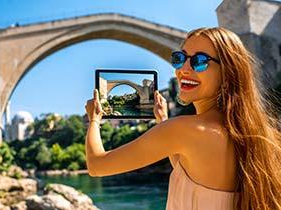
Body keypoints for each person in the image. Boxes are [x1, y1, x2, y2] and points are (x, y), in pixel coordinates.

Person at [85, 27, 281, 210]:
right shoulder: (262, 137)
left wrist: (94, 120)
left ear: (227, 72)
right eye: (179, 58)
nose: (183, 69)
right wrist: (163, 120)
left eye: (200, 61)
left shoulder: (184, 131)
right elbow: (188, 168)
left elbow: (96, 166)